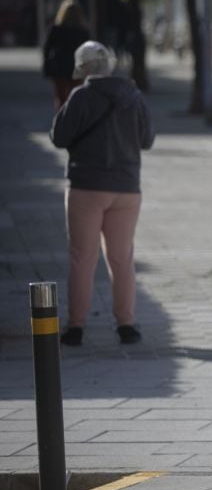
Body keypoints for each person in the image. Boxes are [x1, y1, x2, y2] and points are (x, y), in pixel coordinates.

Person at [50, 41, 155, 346]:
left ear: (82, 69)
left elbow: (59, 137)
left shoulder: (80, 96)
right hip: (126, 188)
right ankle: (127, 325)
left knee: (83, 258)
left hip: (86, 186)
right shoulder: (134, 97)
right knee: (122, 258)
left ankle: (76, 327)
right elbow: (147, 140)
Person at [42, 0, 91, 110]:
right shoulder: (82, 31)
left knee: (61, 99)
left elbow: (47, 49)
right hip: (76, 68)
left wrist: (46, 65)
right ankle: (74, 120)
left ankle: (61, 121)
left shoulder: (56, 29)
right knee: (76, 98)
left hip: (59, 68)